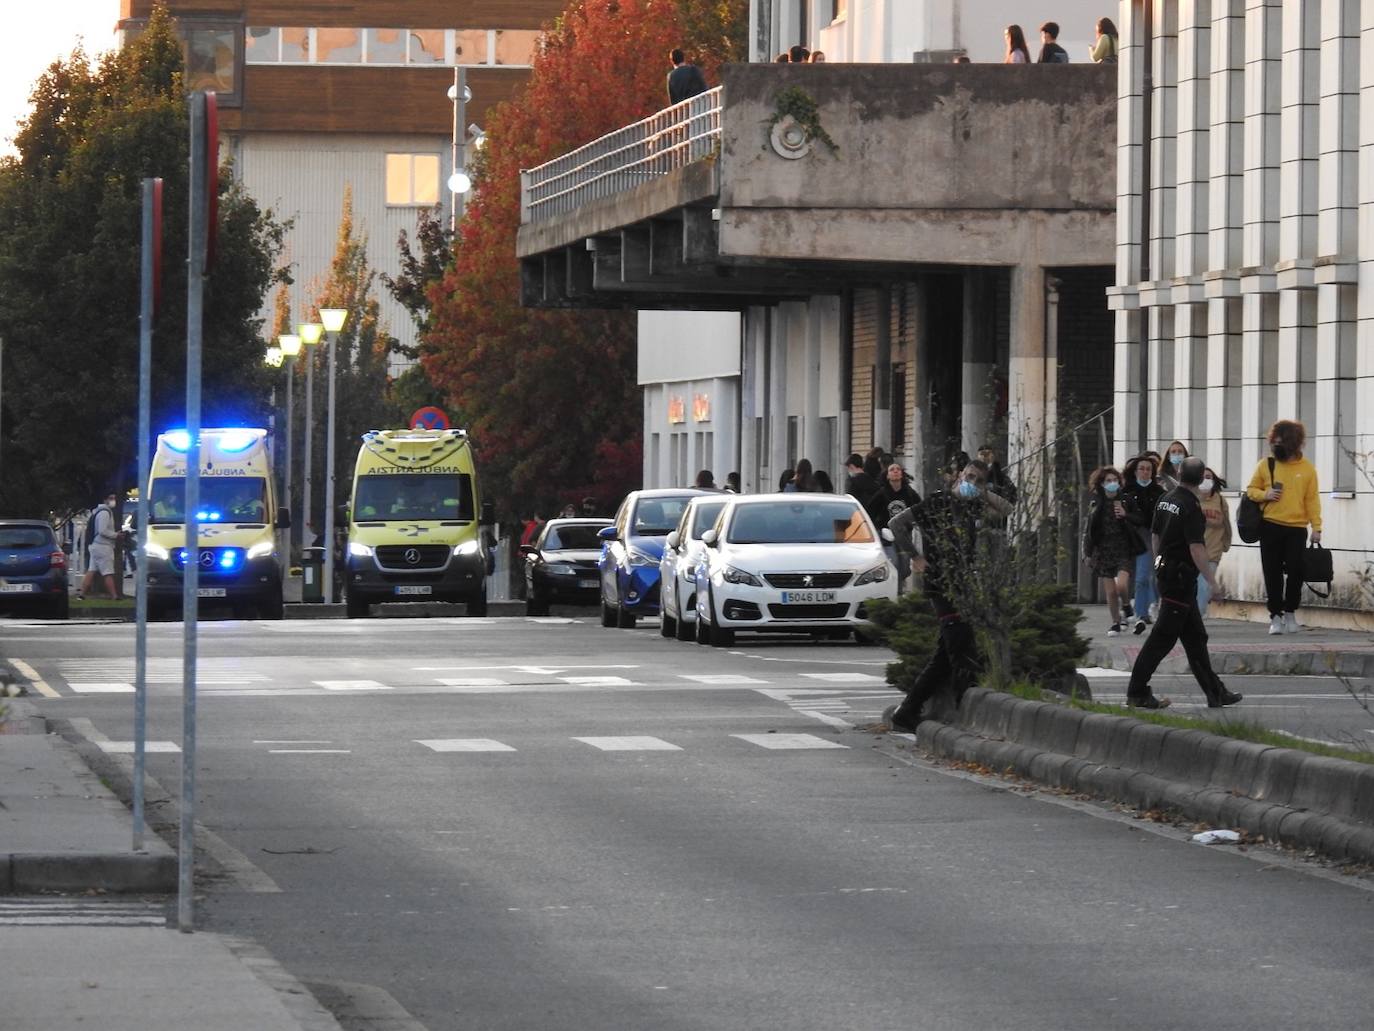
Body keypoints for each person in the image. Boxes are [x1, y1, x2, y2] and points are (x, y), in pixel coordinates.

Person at [885, 462, 1013, 731]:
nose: (971, 483)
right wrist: (915, 556)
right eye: (969, 477)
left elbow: (1006, 509)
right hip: (941, 583)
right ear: (959, 476)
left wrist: (983, 492)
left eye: (978, 480)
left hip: (963, 585)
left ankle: (907, 711)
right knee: (962, 649)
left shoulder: (973, 506)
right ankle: (964, 706)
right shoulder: (937, 502)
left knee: (945, 654)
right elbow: (896, 523)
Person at [1126, 457, 1243, 710]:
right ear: (1201, 479)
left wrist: (1158, 564)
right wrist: (1212, 582)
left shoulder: (1165, 499)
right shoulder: (1191, 507)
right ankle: (1137, 692)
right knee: (1162, 638)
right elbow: (1196, 548)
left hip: (1169, 576)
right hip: (1179, 580)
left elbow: (1155, 535)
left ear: (1179, 473)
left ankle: (1215, 692)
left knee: (1195, 638)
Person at [1247, 419, 1322, 635]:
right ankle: (1275, 616)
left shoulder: (1307, 469)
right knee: (1272, 572)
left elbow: (1312, 500)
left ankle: (1290, 612)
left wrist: (1316, 527)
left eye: (1281, 443)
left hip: (1297, 528)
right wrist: (1265, 494)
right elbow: (1251, 490)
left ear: (1294, 443)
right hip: (1270, 526)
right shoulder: (1266, 465)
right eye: (1274, 442)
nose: (1276, 446)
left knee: (1297, 570)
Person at [1082, 466, 1143, 636]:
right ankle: (1116, 622)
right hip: (1103, 550)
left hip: (1123, 548)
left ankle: (1127, 606)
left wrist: (1125, 514)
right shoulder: (1096, 503)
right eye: (1108, 481)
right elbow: (1089, 530)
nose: (1112, 483)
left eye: (1115, 480)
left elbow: (1139, 519)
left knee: (1121, 585)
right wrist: (1087, 552)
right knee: (1110, 592)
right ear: (1101, 484)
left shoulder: (1126, 500)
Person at [1121, 454, 1163, 634]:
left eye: (1148, 469)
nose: (1145, 472)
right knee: (1130, 578)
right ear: (1135, 471)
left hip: (1149, 536)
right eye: (1141, 469)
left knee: (1146, 577)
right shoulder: (1126, 491)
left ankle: (1143, 612)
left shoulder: (1159, 492)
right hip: (1129, 537)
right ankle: (1134, 612)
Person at [1196, 467, 1232, 618]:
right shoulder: (1192, 499)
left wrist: (1226, 543)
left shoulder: (1220, 501)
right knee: (1195, 584)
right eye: (1202, 477)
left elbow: (1226, 524)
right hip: (1194, 549)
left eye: (1209, 477)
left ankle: (1198, 614)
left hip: (1213, 549)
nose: (1205, 480)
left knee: (1205, 583)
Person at [78, 493, 120, 601]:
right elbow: (102, 530)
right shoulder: (105, 513)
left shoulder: (97, 511)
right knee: (108, 572)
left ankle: (82, 594)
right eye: (111, 498)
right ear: (105, 499)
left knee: (91, 571)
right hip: (103, 546)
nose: (113, 500)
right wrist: (116, 535)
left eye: (114, 498)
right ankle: (114, 596)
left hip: (95, 545)